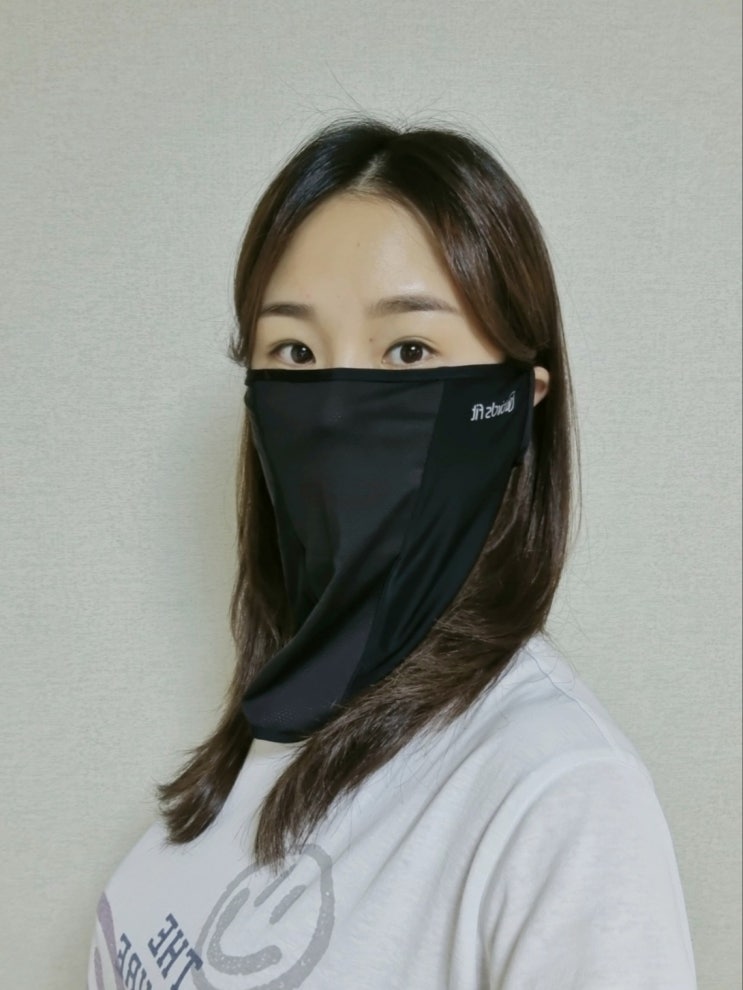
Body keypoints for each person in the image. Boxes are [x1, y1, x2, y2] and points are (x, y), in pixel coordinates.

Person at [87, 116, 697, 990]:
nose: (336, 407)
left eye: (409, 350)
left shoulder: (560, 794)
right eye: (295, 352)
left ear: (516, 404)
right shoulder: (263, 730)